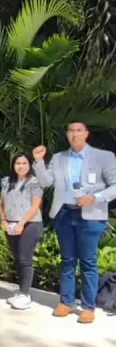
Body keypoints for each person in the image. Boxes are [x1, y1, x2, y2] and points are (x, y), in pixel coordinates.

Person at [34, 122, 116, 323]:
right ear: (67, 135)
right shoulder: (58, 158)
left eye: (79, 130)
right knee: (67, 260)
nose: (74, 134)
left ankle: (88, 307)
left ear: (86, 134)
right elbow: (46, 183)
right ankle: (66, 302)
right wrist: (38, 161)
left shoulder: (103, 157)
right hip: (65, 214)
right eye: (71, 131)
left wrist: (95, 198)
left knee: (88, 262)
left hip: (90, 215)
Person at [0, 153, 43, 310]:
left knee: (25, 259)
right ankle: (21, 291)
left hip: (30, 224)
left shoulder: (35, 183)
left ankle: (25, 294)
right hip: (10, 224)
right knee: (17, 258)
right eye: (18, 163)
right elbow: (1, 203)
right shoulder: (6, 181)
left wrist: (22, 223)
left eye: (24, 163)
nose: (21, 166)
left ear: (29, 165)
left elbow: (35, 205)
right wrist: (3, 220)